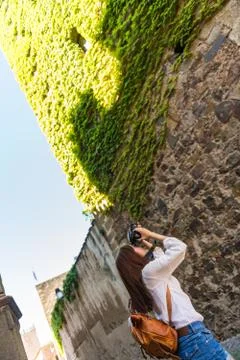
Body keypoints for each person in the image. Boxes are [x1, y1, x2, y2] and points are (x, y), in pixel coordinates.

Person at [116, 225, 234, 360]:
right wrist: (151, 234)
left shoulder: (146, 279)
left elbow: (162, 259)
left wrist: (151, 248)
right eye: (135, 248)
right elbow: (180, 248)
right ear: (132, 258)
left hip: (185, 343)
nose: (139, 247)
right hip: (195, 338)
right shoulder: (149, 273)